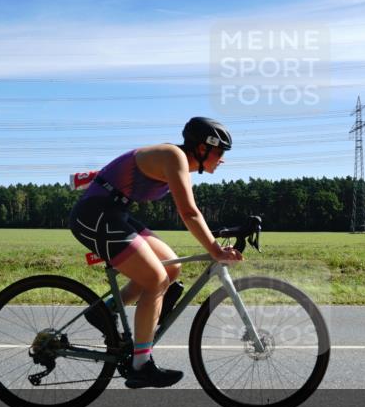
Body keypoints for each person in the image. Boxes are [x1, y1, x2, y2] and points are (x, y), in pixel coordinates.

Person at [69, 117, 243, 389]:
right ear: (201, 148)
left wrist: (215, 245)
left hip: (114, 213)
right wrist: (215, 250)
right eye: (219, 152)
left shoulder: (175, 159)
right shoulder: (173, 156)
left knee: (171, 268)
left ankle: (103, 311)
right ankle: (141, 365)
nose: (222, 159)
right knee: (156, 278)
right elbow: (188, 212)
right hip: (95, 215)